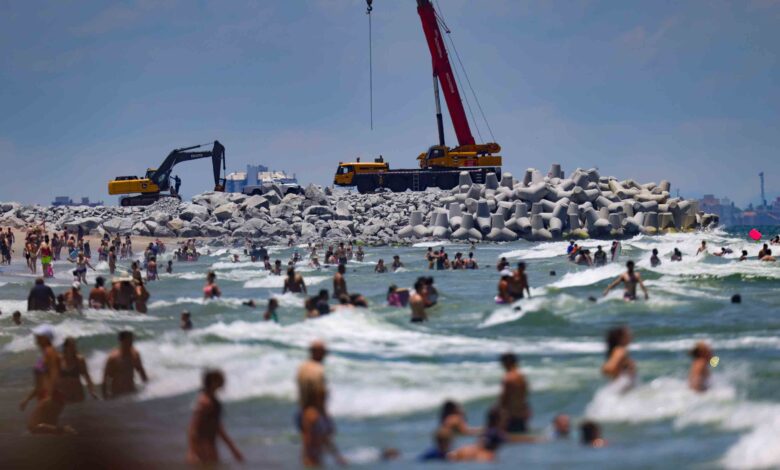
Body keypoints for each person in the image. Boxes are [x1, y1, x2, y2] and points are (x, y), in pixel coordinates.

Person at [297, 341, 346, 467]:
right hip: (314, 412)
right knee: (314, 453)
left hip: (302, 411)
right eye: (323, 353)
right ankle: (337, 459)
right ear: (317, 353)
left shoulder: (303, 367)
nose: (325, 356)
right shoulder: (318, 370)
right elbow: (319, 393)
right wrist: (324, 414)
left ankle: (338, 458)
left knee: (308, 449)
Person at [19, 324, 71, 434]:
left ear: (45, 338)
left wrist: (50, 396)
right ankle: (67, 436)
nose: (36, 337)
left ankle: (66, 431)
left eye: (39, 335)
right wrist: (27, 399)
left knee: (32, 426)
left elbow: (54, 374)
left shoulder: (50, 352)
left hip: (52, 396)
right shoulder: (46, 353)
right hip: (48, 395)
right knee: (49, 428)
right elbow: (41, 382)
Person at [187, 369, 244, 464]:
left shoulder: (212, 401)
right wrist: (193, 452)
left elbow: (218, 427)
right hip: (202, 449)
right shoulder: (205, 402)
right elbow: (193, 427)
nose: (224, 381)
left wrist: (233, 449)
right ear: (213, 382)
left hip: (209, 447)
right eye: (221, 378)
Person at [102, 331, 148, 399]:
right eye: (129, 340)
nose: (131, 342)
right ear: (122, 341)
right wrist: (105, 395)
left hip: (132, 393)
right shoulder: (113, 357)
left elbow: (141, 371)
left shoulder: (135, 355)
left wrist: (148, 389)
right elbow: (105, 378)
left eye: (132, 340)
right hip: (117, 395)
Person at [58, 337, 98, 403]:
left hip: (77, 395)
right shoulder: (59, 359)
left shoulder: (79, 360)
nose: (73, 348)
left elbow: (86, 376)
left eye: (74, 346)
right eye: (71, 346)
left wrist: (92, 391)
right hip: (64, 395)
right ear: (66, 347)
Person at [499, 353, 530, 433]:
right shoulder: (522, 377)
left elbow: (504, 399)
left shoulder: (508, 378)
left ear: (506, 363)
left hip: (511, 416)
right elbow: (524, 395)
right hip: (522, 413)